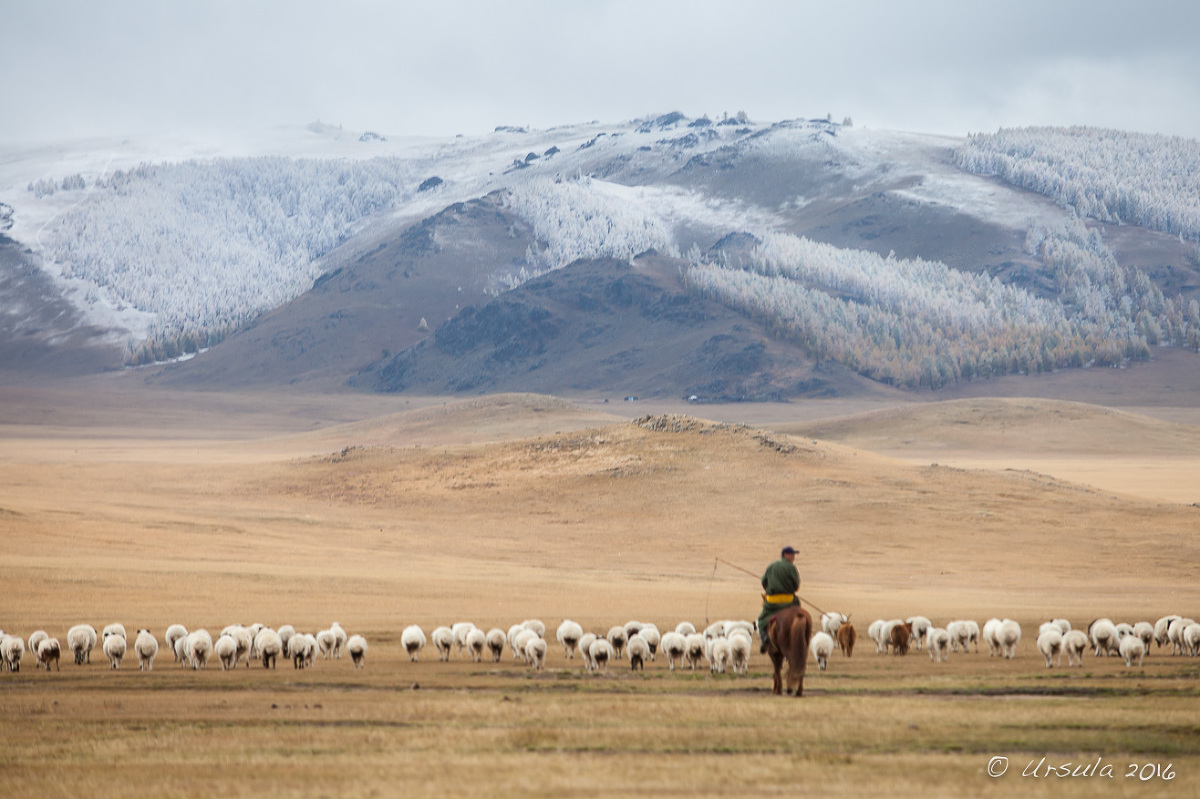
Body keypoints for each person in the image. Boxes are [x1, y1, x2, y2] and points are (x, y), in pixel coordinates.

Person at [757, 545, 800, 653]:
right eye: (792, 554)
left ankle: (765, 638)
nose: (794, 557)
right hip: (789, 601)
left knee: (762, 620)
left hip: (772, 603)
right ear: (785, 555)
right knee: (799, 614)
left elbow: (763, 582)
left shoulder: (771, 566)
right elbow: (796, 585)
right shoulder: (791, 567)